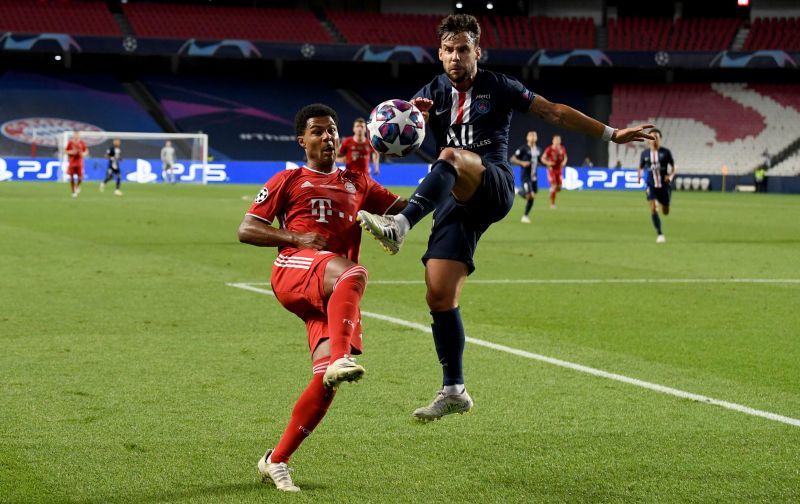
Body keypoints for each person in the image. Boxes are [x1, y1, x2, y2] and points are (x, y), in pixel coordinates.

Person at [356, 14, 653, 421]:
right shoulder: (431, 93)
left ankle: (401, 224)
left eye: (464, 49)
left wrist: (611, 133)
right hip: (456, 200)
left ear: (478, 52)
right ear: (439, 55)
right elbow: (399, 139)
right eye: (448, 50)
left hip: (493, 182)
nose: (456, 57)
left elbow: (553, 113)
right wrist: (419, 118)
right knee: (439, 295)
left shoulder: (499, 86)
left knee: (450, 157)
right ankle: (454, 389)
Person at [238, 104, 405, 492]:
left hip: (332, 293)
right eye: (317, 131)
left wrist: (446, 183)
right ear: (302, 140)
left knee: (327, 379)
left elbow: (406, 210)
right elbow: (247, 228)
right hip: (295, 269)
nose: (327, 137)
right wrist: (295, 237)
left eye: (331, 130)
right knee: (355, 271)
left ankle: (275, 460)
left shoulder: (358, 182)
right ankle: (342, 355)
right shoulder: (288, 179)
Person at [637, 128, 676, 243]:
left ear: (660, 139)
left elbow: (674, 168)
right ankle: (660, 234)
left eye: (656, 137)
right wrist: (638, 176)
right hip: (651, 185)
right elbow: (640, 167)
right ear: (648, 140)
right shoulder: (644, 154)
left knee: (666, 211)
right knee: (653, 208)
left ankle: (662, 202)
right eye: (652, 138)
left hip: (664, 186)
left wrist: (670, 176)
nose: (654, 140)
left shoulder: (666, 152)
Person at [510, 130, 540, 223]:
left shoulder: (538, 150)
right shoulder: (523, 148)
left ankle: (525, 216)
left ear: (536, 138)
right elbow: (512, 159)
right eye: (530, 135)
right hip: (526, 176)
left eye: (534, 135)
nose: (532, 137)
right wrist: (522, 163)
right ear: (527, 138)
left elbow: (540, 160)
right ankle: (517, 191)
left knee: (532, 196)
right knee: (530, 196)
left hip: (534, 177)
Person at [542, 134, 567, 208]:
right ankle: (552, 204)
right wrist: (548, 163)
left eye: (558, 140)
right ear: (553, 141)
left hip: (559, 170)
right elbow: (543, 158)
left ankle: (552, 191)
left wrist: (564, 162)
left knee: (559, 188)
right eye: (555, 140)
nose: (557, 141)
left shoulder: (562, 148)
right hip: (551, 170)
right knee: (554, 185)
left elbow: (565, 157)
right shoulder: (549, 149)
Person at [65, 131, 87, 198]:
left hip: (79, 162)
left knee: (80, 177)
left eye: (77, 134)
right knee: (71, 177)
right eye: (75, 134)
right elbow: (65, 151)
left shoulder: (82, 143)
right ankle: (73, 191)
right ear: (73, 135)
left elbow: (86, 151)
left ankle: (77, 187)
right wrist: (71, 152)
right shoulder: (70, 143)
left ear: (79, 135)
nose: (76, 136)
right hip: (72, 162)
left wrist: (83, 154)